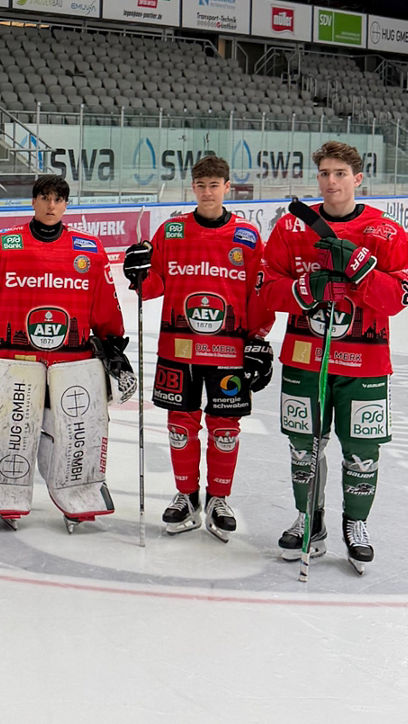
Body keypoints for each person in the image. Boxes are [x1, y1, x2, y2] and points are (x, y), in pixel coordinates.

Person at [257, 141, 408, 571]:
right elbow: (265, 288)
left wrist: (364, 272)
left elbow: (400, 297)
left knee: (362, 448)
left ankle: (355, 523)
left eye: (340, 174)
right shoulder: (292, 227)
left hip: (366, 361)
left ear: (358, 178)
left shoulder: (385, 231)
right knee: (303, 446)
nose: (331, 182)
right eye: (325, 173)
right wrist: (305, 290)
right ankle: (309, 520)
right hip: (305, 357)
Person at [0, 174, 136, 530]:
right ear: (34, 201)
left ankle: (77, 492)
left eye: (58, 199)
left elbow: (104, 301)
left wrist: (113, 342)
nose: (51, 205)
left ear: (66, 205)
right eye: (45, 198)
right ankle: (6, 493)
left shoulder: (88, 249)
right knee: (12, 431)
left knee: (66, 434)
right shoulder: (3, 244)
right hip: (13, 360)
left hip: (71, 363)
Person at [122, 157, 275, 542]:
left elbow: (258, 291)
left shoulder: (246, 236)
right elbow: (153, 285)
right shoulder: (172, 231)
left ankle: (218, 498)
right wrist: (137, 273)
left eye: (214, 185)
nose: (207, 192)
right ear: (193, 187)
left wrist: (258, 339)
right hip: (179, 347)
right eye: (201, 185)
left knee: (225, 429)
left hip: (229, 350)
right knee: (180, 426)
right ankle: (187, 496)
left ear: (227, 187)